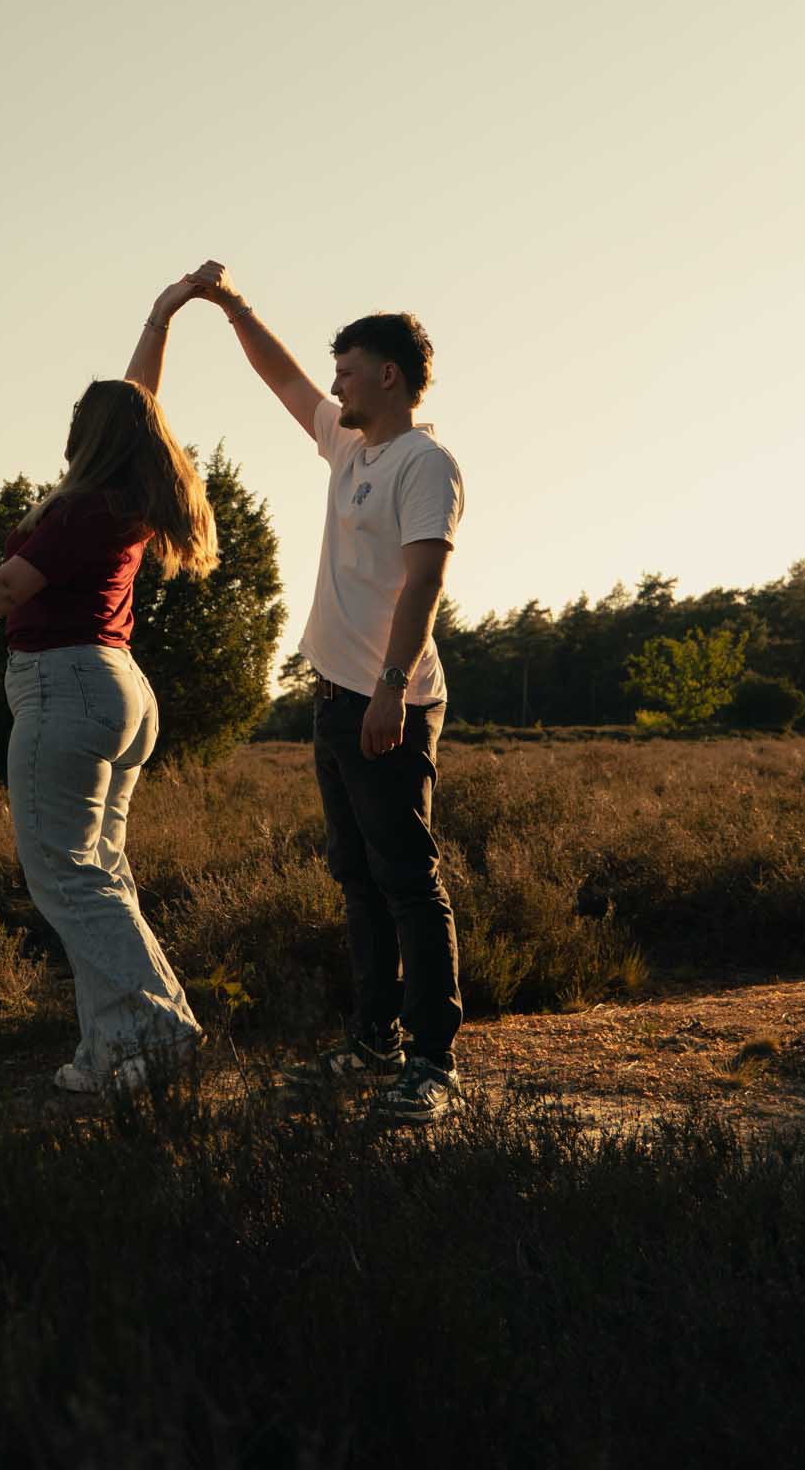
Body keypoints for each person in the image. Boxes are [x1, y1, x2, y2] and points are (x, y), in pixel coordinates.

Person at [0, 277, 215, 1096]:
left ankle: (163, 1034)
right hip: (118, 691)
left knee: (67, 878)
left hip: (65, 687)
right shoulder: (127, 495)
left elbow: (0, 590)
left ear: (81, 434)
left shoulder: (81, 509)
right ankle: (112, 1052)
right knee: (99, 876)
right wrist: (161, 317)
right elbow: (140, 402)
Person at [185, 262, 465, 1123]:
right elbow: (279, 377)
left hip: (390, 699)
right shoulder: (349, 444)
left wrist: (389, 689)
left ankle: (431, 1063)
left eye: (346, 370)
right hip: (337, 696)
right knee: (357, 877)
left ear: (388, 376)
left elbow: (422, 584)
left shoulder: (425, 462)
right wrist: (231, 306)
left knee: (406, 879)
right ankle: (370, 1040)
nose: (332, 383)